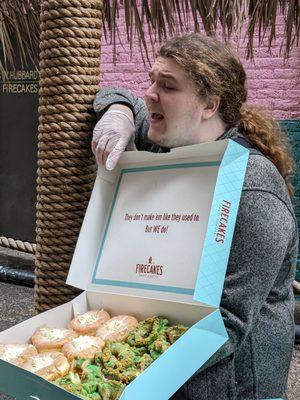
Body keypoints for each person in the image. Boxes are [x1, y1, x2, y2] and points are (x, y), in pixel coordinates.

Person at [91, 33, 298, 400]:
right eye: (151, 80)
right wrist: (119, 112)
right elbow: (117, 93)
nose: (151, 93)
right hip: (170, 371)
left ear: (208, 106)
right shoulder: (168, 138)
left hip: (233, 385)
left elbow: (228, 322)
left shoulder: (253, 188)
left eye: (167, 85)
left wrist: (122, 368)